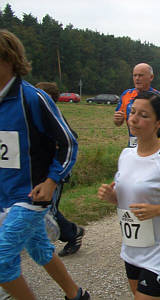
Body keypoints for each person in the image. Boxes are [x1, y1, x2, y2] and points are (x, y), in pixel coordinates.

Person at [0, 29, 89, 300]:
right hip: (4, 194)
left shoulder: (32, 98)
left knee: (2, 260)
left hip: (31, 196)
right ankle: (77, 295)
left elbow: (69, 143)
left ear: (8, 59)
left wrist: (52, 181)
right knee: (39, 248)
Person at [98, 91, 160, 298]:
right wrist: (112, 197)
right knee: (136, 293)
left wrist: (157, 210)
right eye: (132, 112)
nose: (133, 119)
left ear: (159, 122)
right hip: (133, 247)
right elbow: (127, 198)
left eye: (143, 115)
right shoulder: (126, 155)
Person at [35, 82, 85, 257]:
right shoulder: (35, 114)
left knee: (49, 210)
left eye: (39, 96)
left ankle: (73, 233)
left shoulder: (55, 116)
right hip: (38, 172)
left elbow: (71, 139)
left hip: (55, 173)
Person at [114, 63, 160, 147]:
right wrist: (117, 120)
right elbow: (118, 122)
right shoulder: (126, 95)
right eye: (135, 75)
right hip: (133, 145)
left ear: (151, 77)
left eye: (141, 75)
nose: (137, 78)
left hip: (154, 146)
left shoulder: (159, 98)